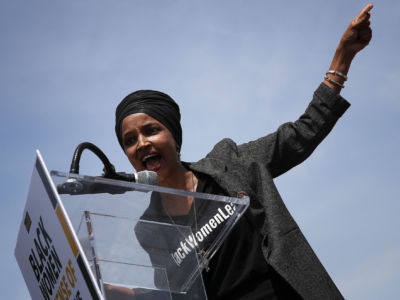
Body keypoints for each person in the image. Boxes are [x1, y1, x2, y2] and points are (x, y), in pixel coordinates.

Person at [112, 4, 373, 300]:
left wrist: (343, 57)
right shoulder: (149, 230)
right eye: (130, 140)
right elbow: (181, 296)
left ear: (174, 136)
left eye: (151, 130)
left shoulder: (228, 163)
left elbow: (301, 135)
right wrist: (124, 295)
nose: (142, 143)